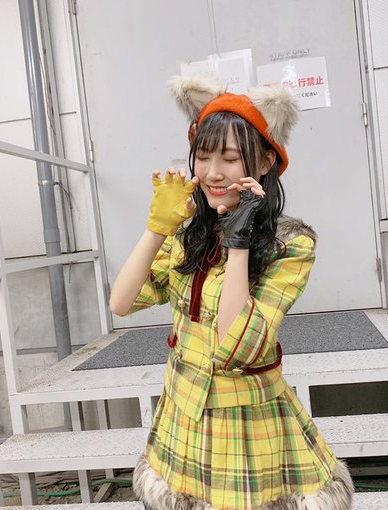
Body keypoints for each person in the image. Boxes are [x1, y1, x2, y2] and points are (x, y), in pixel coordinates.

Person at [109, 74, 353, 510]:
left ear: (265, 162)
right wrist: (157, 227)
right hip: (182, 413)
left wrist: (238, 244)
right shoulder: (188, 235)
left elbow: (236, 345)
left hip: (246, 422)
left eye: (230, 158)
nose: (212, 173)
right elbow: (121, 303)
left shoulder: (290, 245)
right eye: (203, 157)